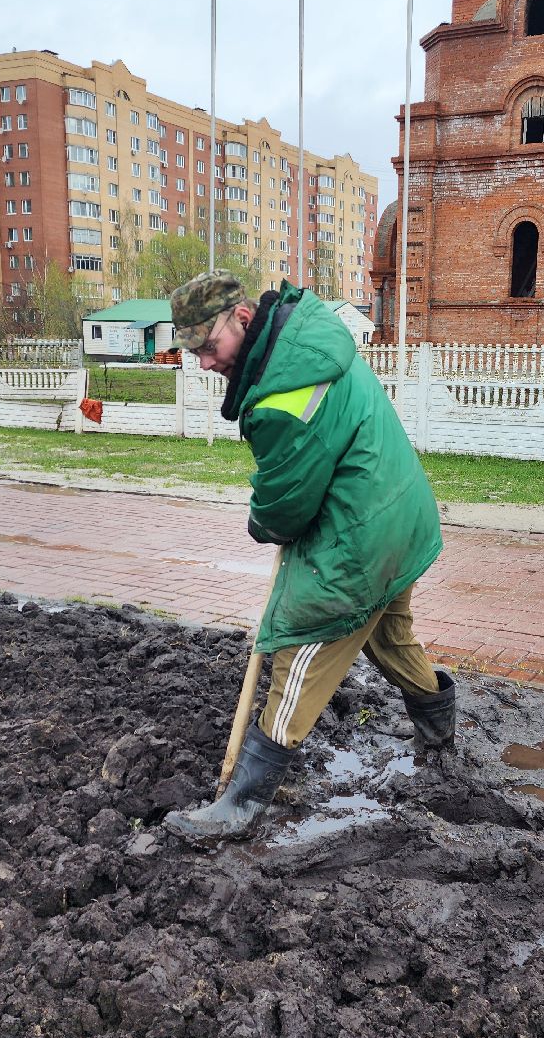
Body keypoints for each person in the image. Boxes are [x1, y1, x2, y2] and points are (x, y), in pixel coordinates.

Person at [163, 271, 454, 841]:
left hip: (361, 539)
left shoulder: (281, 397)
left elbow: (287, 507)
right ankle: (440, 732)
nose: (202, 362)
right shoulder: (310, 339)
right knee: (390, 636)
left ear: (243, 320)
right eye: (192, 350)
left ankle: (240, 802)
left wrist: (262, 520)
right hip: (401, 510)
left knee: (300, 648)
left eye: (208, 346)